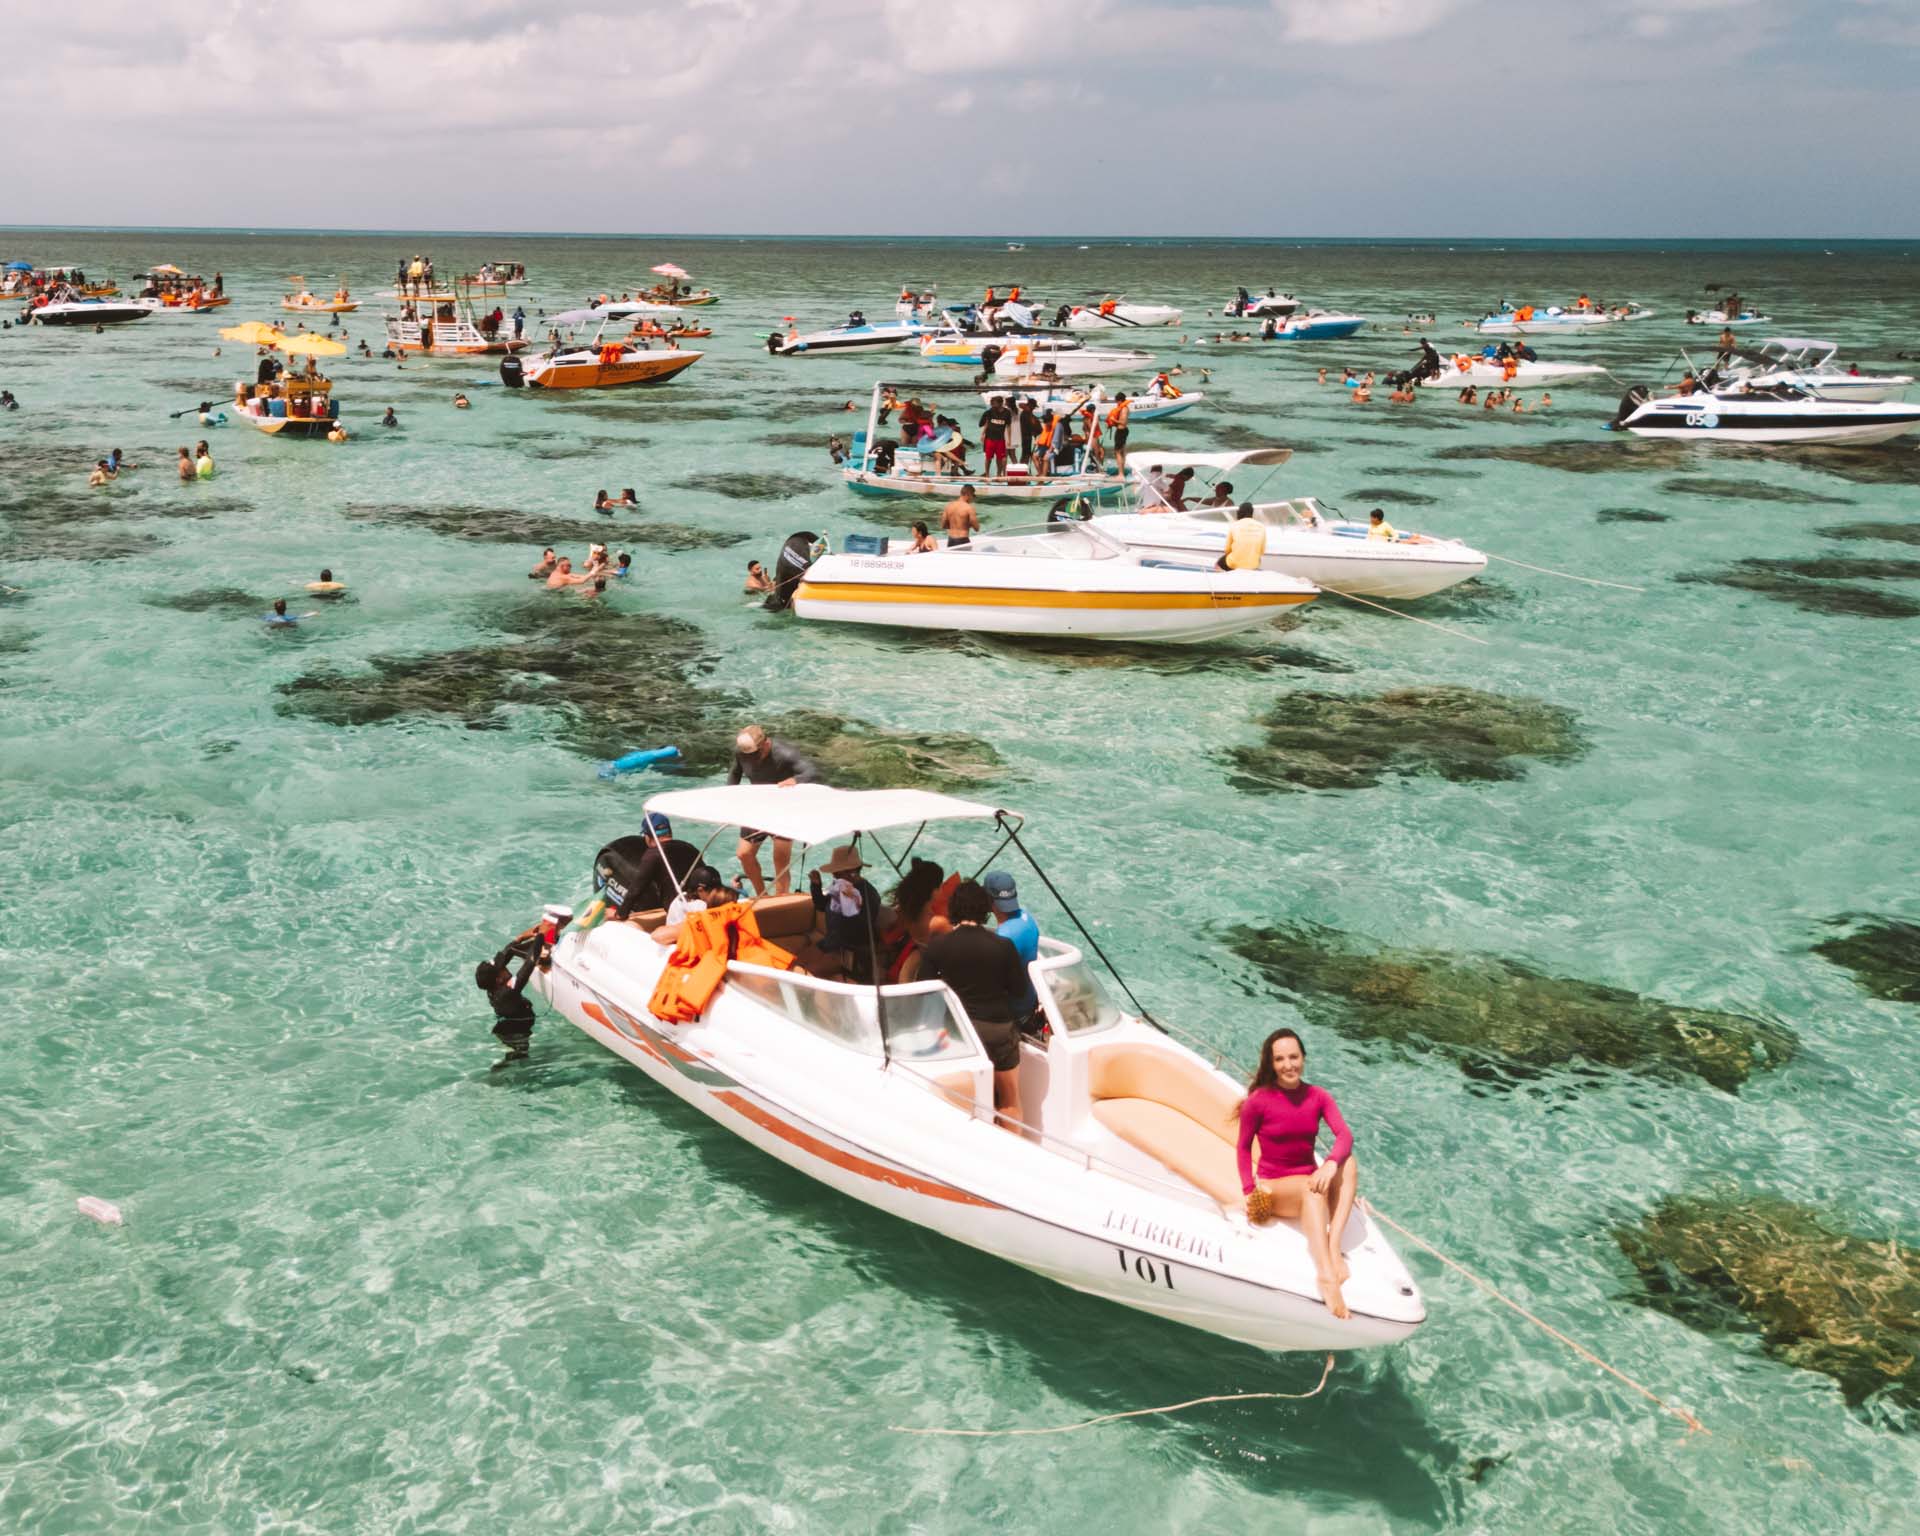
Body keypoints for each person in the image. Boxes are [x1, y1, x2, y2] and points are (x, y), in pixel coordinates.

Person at [1237, 1027, 1357, 1318]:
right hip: (1274, 1188)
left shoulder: (1318, 1096)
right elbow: (1242, 1148)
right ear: (1271, 1063)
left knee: (1348, 1163)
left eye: (1294, 1057)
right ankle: (1327, 1275)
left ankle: (1333, 1246)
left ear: (1303, 1058)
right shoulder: (1258, 1101)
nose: (1288, 1065)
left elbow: (1345, 1137)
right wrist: (1249, 1192)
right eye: (1280, 1059)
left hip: (1309, 1184)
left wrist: (1330, 1163)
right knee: (1309, 1186)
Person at [919, 880, 1029, 1133]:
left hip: (960, 1031)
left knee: (961, 1098)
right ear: (985, 910)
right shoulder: (1004, 946)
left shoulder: (939, 946)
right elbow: (1019, 991)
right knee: (1010, 1099)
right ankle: (1011, 1153)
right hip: (998, 1029)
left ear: (954, 909)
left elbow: (924, 990)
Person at [727, 725, 819, 896]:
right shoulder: (741, 753)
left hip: (784, 810)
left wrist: (795, 779)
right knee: (744, 854)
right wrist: (728, 797)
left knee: (780, 859)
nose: (752, 760)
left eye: (756, 755)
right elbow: (735, 773)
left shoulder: (786, 754)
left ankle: (780, 897)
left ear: (766, 744)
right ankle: (762, 895)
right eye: (749, 756)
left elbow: (812, 772)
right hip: (758, 808)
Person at [475, 911, 569, 1062]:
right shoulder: (507, 992)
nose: (505, 966)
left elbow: (507, 952)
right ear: (499, 979)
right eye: (502, 968)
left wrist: (522, 937)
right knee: (519, 1057)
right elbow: (530, 963)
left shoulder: (493, 982)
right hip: (515, 1033)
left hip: (506, 1025)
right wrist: (540, 937)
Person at [801, 844, 884, 980]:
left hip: (850, 951)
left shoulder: (868, 894)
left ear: (853, 872)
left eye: (838, 873)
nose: (834, 876)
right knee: (795, 963)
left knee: (806, 973)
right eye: (835, 873)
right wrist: (816, 886)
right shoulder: (842, 887)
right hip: (830, 942)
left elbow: (861, 927)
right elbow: (822, 905)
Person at [982, 871, 1040, 1023]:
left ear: (988, 899)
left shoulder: (1003, 937)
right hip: (1030, 1001)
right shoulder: (1027, 918)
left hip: (1012, 1012)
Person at [649, 865, 737, 947]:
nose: (716, 894)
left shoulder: (683, 896)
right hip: (678, 940)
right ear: (700, 890)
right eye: (714, 891)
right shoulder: (698, 906)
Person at [1218, 502, 1267, 572]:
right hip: (1253, 564)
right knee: (1257, 559)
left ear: (1240, 512)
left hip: (1234, 563)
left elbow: (1227, 550)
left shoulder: (1234, 525)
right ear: (1251, 513)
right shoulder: (1261, 526)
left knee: (1218, 564)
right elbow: (1262, 551)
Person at [978, 394, 1013, 478]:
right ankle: (987, 474)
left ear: (1000, 403)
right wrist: (982, 434)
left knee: (1000, 458)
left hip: (1000, 439)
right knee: (988, 458)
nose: (992, 405)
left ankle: (998, 474)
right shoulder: (990, 411)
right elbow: (986, 423)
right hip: (989, 438)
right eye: (992, 403)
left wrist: (1009, 439)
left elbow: (1008, 426)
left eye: (994, 403)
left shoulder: (1007, 413)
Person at [1105, 393, 1131, 474]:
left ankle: (1120, 474)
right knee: (1121, 452)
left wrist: (1113, 420)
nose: (1116, 403)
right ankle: (1122, 471)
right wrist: (1113, 424)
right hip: (1122, 431)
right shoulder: (1123, 408)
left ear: (1120, 400)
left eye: (1117, 401)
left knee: (1118, 452)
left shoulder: (1124, 409)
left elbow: (1123, 422)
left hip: (1121, 432)